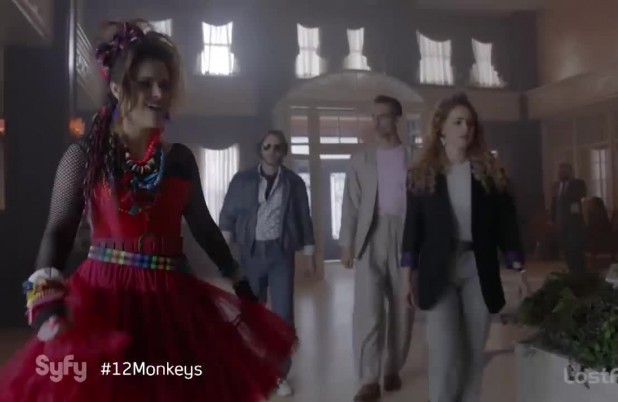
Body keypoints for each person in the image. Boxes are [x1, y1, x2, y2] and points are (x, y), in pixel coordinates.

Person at [0, 21, 297, 402]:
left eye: (165, 84)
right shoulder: (86, 156)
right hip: (105, 298)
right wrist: (44, 299)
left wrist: (238, 280)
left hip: (174, 303)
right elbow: (58, 230)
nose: (159, 93)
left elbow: (203, 226)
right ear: (117, 89)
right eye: (146, 84)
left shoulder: (180, 160)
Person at [401, 93, 525, 402]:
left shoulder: (489, 173)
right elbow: (412, 229)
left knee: (472, 354)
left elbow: (507, 225)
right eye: (457, 122)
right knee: (443, 355)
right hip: (437, 270)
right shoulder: (422, 174)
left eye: (469, 123)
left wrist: (518, 268)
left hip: (478, 269)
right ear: (441, 128)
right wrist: (407, 275)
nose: (465, 128)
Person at [219, 129, 316, 397]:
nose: (272, 151)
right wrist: (222, 252)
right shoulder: (242, 180)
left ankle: (279, 374)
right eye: (267, 146)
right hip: (250, 253)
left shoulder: (294, 183)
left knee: (283, 317)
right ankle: (252, 367)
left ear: (284, 151)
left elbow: (304, 218)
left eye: (277, 147)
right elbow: (227, 214)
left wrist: (309, 255)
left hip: (281, 254)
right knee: (251, 312)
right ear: (260, 149)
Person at [339, 95, 414, 402]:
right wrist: (347, 243)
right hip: (370, 235)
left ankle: (392, 367)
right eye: (374, 116)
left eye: (383, 116)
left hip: (406, 235)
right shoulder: (360, 160)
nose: (377, 122)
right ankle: (369, 379)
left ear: (397, 119)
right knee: (367, 309)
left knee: (403, 307)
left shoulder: (415, 157)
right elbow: (350, 204)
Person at [550, 162, 587, 271]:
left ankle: (579, 271)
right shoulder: (556, 186)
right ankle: (571, 270)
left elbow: (581, 195)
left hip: (575, 223)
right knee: (565, 249)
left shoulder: (578, 183)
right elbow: (554, 203)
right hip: (561, 223)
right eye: (560, 171)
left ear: (570, 172)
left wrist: (567, 186)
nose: (560, 173)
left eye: (564, 170)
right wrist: (552, 219)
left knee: (575, 249)